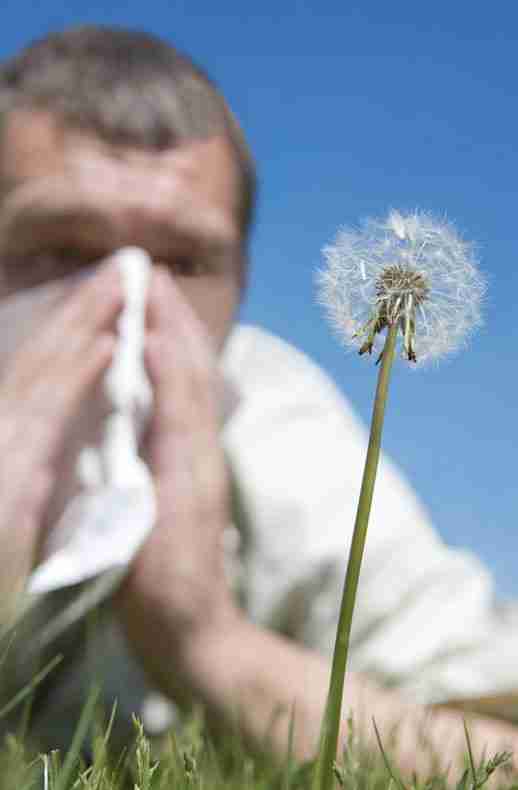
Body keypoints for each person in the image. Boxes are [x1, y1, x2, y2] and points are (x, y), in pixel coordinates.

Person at [0, 25, 516, 777]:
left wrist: (208, 638)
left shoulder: (281, 433)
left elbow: (496, 760)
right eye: (61, 250)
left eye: (183, 261)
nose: (125, 298)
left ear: (240, 281)